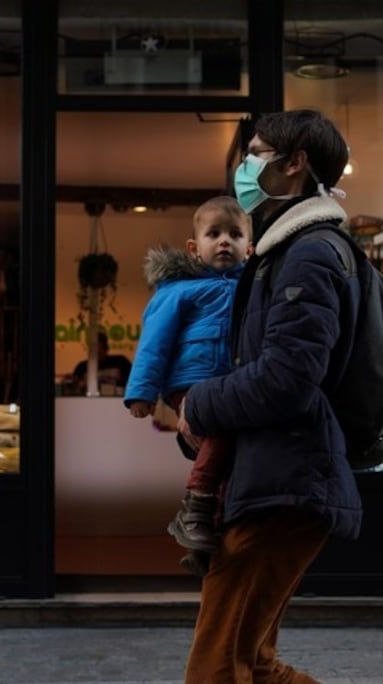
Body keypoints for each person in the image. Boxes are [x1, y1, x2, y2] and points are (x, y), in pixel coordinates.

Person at [176, 109, 362, 684]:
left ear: (295, 164)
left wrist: (198, 405)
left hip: (284, 482)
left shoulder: (307, 252)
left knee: (217, 671)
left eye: (256, 152)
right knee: (251, 665)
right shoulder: (285, 251)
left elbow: (287, 376)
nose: (245, 165)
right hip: (275, 479)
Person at [123, 196, 252, 575]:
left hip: (234, 385)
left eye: (234, 234)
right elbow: (153, 343)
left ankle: (204, 540)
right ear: (194, 248)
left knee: (231, 454)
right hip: (191, 385)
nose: (224, 241)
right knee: (221, 434)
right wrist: (142, 392)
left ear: (251, 246)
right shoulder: (178, 290)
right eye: (214, 234)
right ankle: (195, 505)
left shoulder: (252, 288)